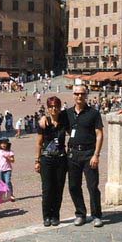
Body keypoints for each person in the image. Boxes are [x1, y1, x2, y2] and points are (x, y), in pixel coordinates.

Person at [62, 85, 104, 227]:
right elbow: (55, 121)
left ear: (86, 95)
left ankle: (96, 215)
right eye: (76, 94)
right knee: (73, 186)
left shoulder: (93, 113)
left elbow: (99, 134)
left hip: (89, 154)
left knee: (92, 186)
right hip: (73, 154)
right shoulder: (67, 113)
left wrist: (96, 155)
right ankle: (80, 213)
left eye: (82, 94)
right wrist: (44, 118)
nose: (79, 96)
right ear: (73, 95)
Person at [35, 96, 67, 227]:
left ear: (59, 108)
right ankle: (46, 216)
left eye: (56, 106)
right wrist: (37, 160)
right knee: (47, 189)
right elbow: (39, 143)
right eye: (51, 107)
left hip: (60, 159)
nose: (54, 109)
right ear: (47, 109)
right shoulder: (44, 123)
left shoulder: (64, 121)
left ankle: (55, 215)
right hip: (46, 159)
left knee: (59, 188)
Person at [0, 137, 15, 202]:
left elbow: (13, 160)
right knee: (1, 183)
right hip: (0, 169)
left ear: (8, 144)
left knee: (7, 181)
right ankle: (2, 196)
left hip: (8, 169)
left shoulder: (10, 152)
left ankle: (11, 194)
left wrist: (8, 158)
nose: (3, 145)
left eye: (5, 143)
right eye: (2, 143)